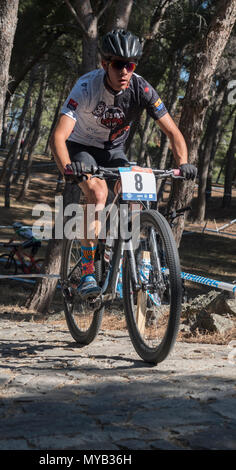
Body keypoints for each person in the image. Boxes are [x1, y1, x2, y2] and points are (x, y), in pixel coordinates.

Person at [50, 29, 197, 298]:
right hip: (82, 148)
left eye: (130, 65)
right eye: (118, 65)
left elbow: (173, 133)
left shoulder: (142, 88)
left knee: (133, 194)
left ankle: (112, 247)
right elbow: (59, 136)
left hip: (114, 150)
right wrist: (68, 168)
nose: (125, 71)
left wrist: (183, 163)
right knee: (98, 193)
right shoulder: (86, 86)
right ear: (105, 64)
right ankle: (86, 270)